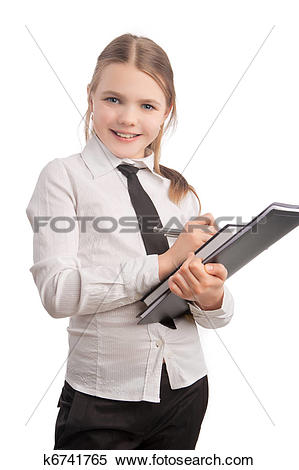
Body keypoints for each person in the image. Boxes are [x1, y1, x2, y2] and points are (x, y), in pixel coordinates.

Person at [26, 33, 234, 450]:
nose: (128, 119)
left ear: (166, 112)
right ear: (90, 96)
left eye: (147, 106)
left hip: (186, 388)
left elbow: (213, 318)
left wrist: (212, 296)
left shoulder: (179, 191)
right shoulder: (62, 177)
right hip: (103, 399)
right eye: (113, 99)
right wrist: (165, 263)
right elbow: (57, 294)